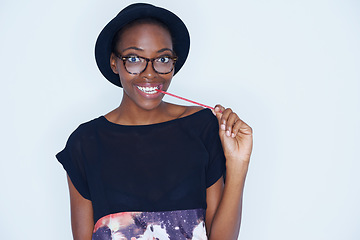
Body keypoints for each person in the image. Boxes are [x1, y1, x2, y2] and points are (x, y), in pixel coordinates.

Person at [56, 3, 253, 240]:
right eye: (134, 58)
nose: (150, 73)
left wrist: (238, 164)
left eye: (162, 59)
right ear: (114, 62)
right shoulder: (85, 143)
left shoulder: (203, 128)